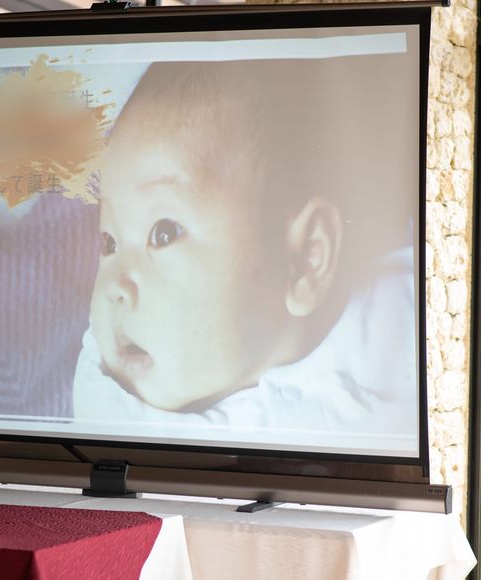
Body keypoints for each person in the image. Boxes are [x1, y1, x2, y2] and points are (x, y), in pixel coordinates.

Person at [73, 57, 418, 437]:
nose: (115, 288)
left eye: (164, 233)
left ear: (305, 258)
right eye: (109, 242)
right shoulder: (111, 405)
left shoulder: (401, 336)